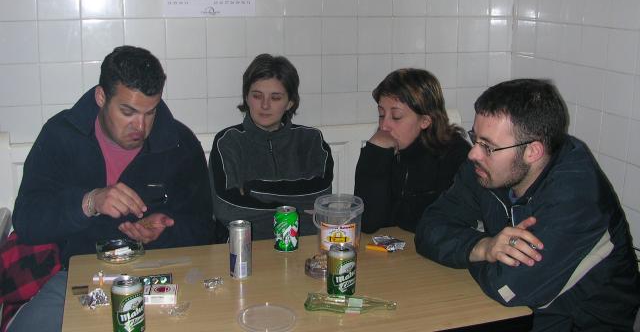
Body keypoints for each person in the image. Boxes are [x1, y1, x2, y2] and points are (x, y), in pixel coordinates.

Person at [9, 46, 215, 331]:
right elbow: (27, 221)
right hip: (79, 277)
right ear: (101, 97)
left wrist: (164, 231)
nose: (140, 126)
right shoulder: (61, 135)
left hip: (164, 274)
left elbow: (204, 229)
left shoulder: (180, 144)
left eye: (150, 112)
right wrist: (89, 202)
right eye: (128, 111)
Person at [415, 79, 640, 330]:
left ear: (533, 151)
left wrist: (466, 247)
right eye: (475, 138)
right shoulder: (487, 169)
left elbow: (507, 288)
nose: (473, 153)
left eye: (488, 146)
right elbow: (428, 228)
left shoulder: (577, 197)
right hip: (525, 317)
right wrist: (483, 246)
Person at [209, 54, 333, 241]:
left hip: (303, 243)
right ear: (246, 97)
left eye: (275, 98)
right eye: (257, 96)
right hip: (245, 246)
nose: (265, 105)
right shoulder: (227, 141)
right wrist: (296, 207)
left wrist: (252, 189)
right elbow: (228, 210)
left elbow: (320, 200)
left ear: (290, 102)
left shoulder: (311, 140)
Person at [354, 68, 470, 233]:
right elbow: (367, 222)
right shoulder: (383, 149)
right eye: (381, 114)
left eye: (396, 116)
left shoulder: (456, 155)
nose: (384, 126)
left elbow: (444, 225)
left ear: (425, 120)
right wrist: (375, 154)